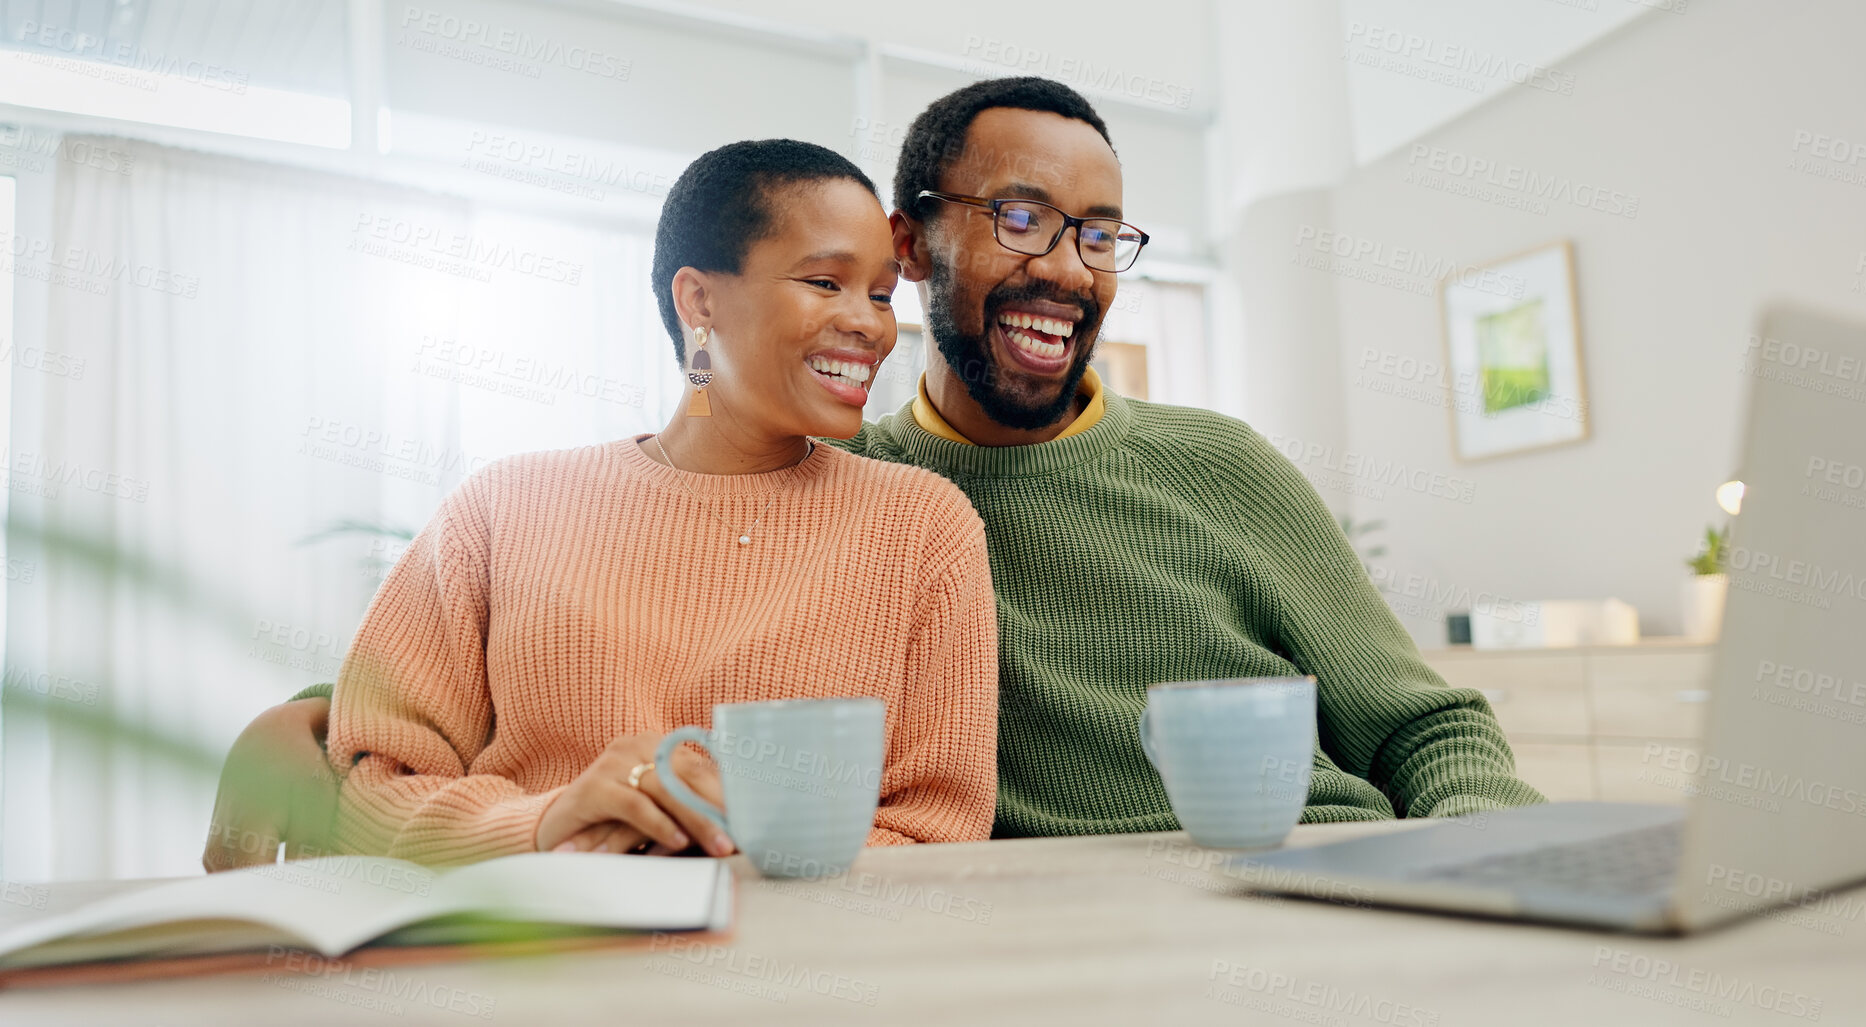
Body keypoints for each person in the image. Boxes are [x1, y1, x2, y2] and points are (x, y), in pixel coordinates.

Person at [207, 77, 1540, 868]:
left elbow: (1425, 725)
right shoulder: (874, 491)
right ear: (916, 247)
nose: (1068, 267)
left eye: (1097, 232)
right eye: (1020, 215)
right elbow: (613, 603)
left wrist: (1505, 880)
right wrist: (325, 716)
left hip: (1312, 875)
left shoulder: (1208, 468)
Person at [204, 139, 998, 869]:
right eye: (825, 282)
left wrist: (723, 859)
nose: (867, 324)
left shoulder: (923, 527)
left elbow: (937, 827)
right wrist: (547, 824)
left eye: (882, 294)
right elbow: (376, 792)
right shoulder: (501, 506)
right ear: (700, 301)